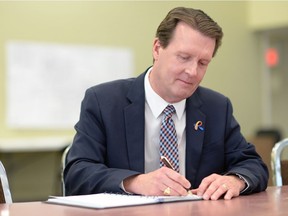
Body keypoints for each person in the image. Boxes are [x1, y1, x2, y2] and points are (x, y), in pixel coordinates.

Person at [64, 6, 268, 200]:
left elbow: (252, 164)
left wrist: (234, 181)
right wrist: (136, 182)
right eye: (184, 57)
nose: (192, 72)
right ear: (157, 48)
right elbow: (78, 173)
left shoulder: (217, 107)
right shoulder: (104, 101)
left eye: (203, 63)